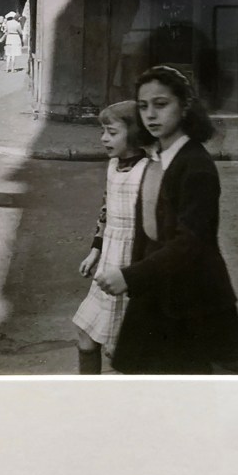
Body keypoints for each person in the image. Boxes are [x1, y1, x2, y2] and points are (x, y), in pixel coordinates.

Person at [95, 65, 238, 375]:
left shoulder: (196, 167)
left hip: (198, 305)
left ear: (184, 107)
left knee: (211, 399)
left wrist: (131, 276)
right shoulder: (157, 159)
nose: (150, 115)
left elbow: (189, 244)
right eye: (143, 106)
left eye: (161, 104)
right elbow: (148, 234)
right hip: (158, 295)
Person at [73, 102, 152, 374]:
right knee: (85, 331)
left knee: (121, 350)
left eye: (112, 132)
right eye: (103, 132)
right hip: (109, 260)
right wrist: (96, 250)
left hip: (132, 266)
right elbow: (106, 211)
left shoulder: (148, 170)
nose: (104, 138)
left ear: (132, 134)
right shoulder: (112, 165)